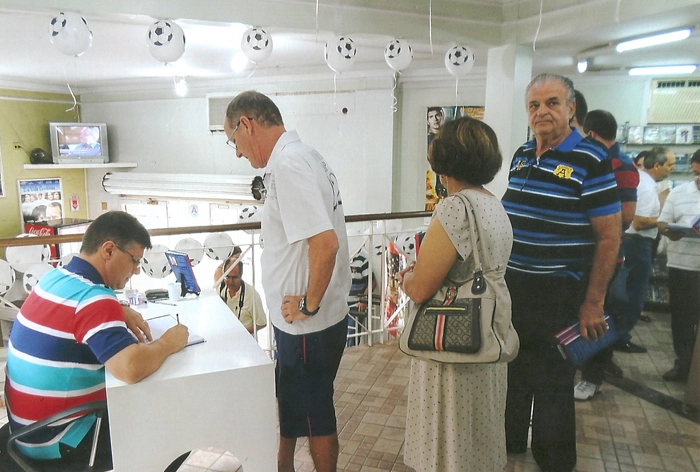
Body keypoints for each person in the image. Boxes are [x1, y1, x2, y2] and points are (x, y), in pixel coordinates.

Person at [223, 90, 351, 472]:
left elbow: (324, 245)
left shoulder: (291, 165)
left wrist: (307, 305)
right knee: (296, 403)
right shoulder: (301, 157)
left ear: (247, 124)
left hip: (308, 323)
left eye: (234, 141)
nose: (238, 153)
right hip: (299, 323)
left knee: (316, 415)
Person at [501, 73, 621, 472]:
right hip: (514, 286)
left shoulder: (590, 158)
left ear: (571, 108)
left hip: (560, 291)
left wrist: (593, 303)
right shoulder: (521, 154)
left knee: (552, 381)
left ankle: (554, 461)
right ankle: (510, 439)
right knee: (512, 368)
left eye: (552, 103)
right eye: (534, 105)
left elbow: (609, 237)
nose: (542, 112)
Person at [4, 211, 189, 465]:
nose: (136, 271)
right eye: (135, 260)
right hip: (62, 441)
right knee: (178, 432)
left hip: (25, 434)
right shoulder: (96, 298)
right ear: (109, 250)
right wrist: (169, 342)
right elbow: (130, 368)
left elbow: (73, 313)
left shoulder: (55, 277)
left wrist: (119, 310)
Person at [398, 116, 513, 471]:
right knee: (477, 439)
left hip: (452, 349)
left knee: (447, 445)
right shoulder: (493, 203)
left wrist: (407, 278)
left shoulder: (454, 207)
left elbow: (421, 287)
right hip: (486, 336)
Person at [574, 109, 639, 400]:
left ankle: (593, 376)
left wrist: (585, 217)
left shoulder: (620, 165)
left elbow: (625, 217)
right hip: (582, 255)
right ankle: (585, 368)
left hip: (606, 255)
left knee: (599, 315)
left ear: (591, 134)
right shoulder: (593, 160)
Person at [614, 146, 675, 354]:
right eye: (670, 165)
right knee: (634, 294)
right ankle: (620, 337)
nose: (672, 169)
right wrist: (664, 222)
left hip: (631, 243)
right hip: (637, 244)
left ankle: (618, 336)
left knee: (625, 293)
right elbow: (639, 222)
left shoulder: (640, 180)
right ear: (657, 165)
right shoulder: (647, 187)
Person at [657, 148, 700, 382]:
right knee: (682, 318)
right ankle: (682, 363)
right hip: (682, 264)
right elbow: (662, 223)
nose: (698, 179)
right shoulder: (678, 193)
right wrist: (670, 231)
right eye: (695, 173)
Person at [218, 255, 267, 335]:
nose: (230, 282)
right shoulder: (221, 288)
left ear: (241, 276)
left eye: (234, 278)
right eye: (227, 277)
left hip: (245, 343)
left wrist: (242, 333)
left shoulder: (252, 295)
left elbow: (261, 323)